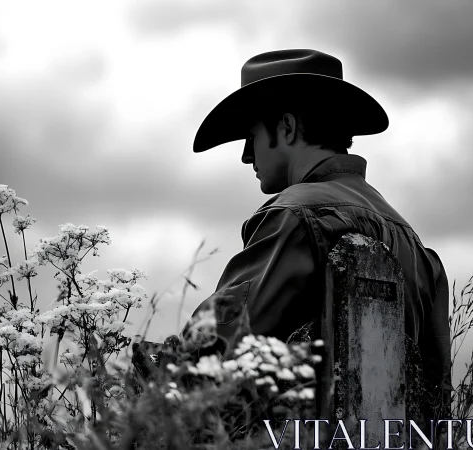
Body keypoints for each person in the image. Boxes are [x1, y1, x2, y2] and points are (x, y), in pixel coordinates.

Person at [183, 49, 452, 418]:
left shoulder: (291, 215)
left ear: (288, 128)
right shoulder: (413, 242)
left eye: (252, 136)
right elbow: (437, 398)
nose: (247, 156)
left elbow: (214, 357)